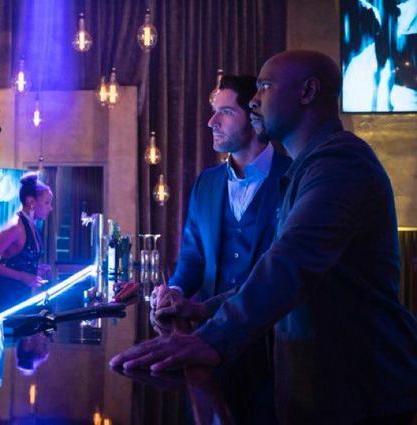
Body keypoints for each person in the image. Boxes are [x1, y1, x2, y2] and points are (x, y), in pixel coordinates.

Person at [111, 50, 417, 424]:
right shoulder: (309, 167)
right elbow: (272, 265)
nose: (254, 100)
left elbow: (290, 263)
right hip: (324, 387)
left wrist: (210, 339)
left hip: (360, 391)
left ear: (307, 92)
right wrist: (203, 310)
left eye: (265, 87)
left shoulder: (340, 162)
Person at [151, 74, 290, 424]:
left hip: (276, 349)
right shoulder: (207, 182)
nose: (211, 121)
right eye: (214, 111)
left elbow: (286, 272)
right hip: (209, 342)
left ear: (254, 117)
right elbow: (192, 256)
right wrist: (175, 290)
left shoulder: (294, 177)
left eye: (225, 112)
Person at [0, 173, 53, 315]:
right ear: (31, 201)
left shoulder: (31, 224)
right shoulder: (16, 227)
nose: (50, 208)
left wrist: (33, 269)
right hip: (1, 295)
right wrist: (22, 276)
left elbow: (17, 260)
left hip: (17, 295)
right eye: (47, 202)